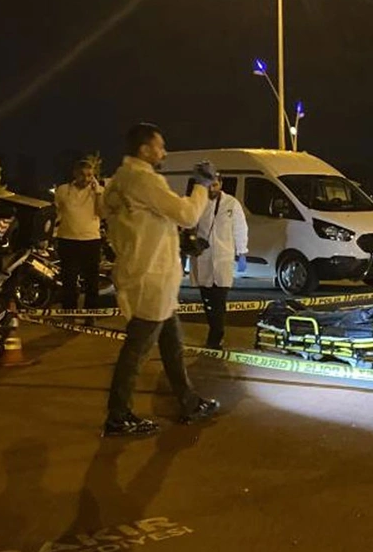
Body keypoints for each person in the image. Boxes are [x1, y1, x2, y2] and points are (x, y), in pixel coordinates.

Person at [101, 123, 220, 437]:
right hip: (150, 277)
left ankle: (189, 401)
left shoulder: (117, 182)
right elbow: (187, 215)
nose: (164, 152)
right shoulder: (143, 180)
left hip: (142, 272)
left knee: (172, 345)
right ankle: (118, 416)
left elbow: (139, 221)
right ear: (144, 149)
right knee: (137, 349)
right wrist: (201, 185)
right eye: (160, 146)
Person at [188, 179, 249, 349]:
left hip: (223, 258)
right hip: (204, 258)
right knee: (207, 300)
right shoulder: (199, 204)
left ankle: (216, 335)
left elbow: (240, 228)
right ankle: (214, 331)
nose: (212, 188)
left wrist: (242, 252)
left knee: (219, 300)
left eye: (215, 184)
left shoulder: (231, 203)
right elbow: (189, 224)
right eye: (209, 185)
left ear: (221, 184)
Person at [53, 158, 105, 311]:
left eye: (90, 175)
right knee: (68, 280)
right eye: (82, 175)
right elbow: (56, 212)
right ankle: (69, 312)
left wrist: (98, 194)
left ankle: (91, 313)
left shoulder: (98, 191)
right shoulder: (63, 190)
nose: (86, 179)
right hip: (68, 240)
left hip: (91, 240)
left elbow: (102, 213)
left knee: (92, 281)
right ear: (75, 174)